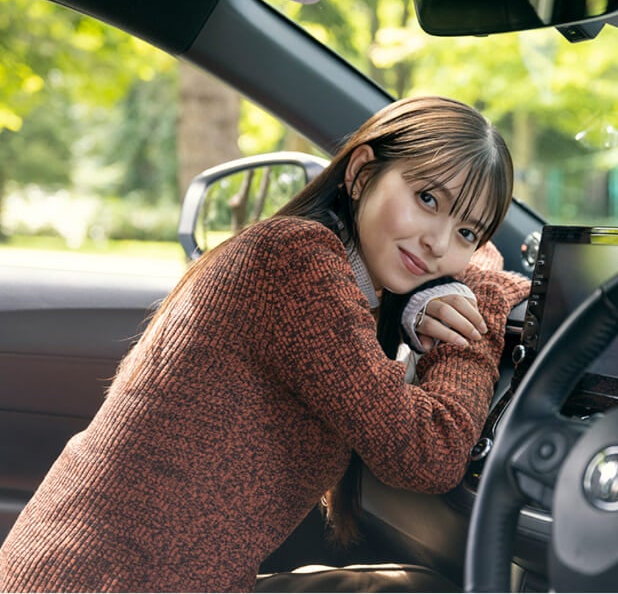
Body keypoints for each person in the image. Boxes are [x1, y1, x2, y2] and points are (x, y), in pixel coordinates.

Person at [0, 95, 531, 592]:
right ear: (362, 171)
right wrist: (479, 311)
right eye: (427, 198)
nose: (438, 242)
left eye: (467, 232)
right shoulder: (296, 261)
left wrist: (430, 298)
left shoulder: (324, 267)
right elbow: (427, 453)